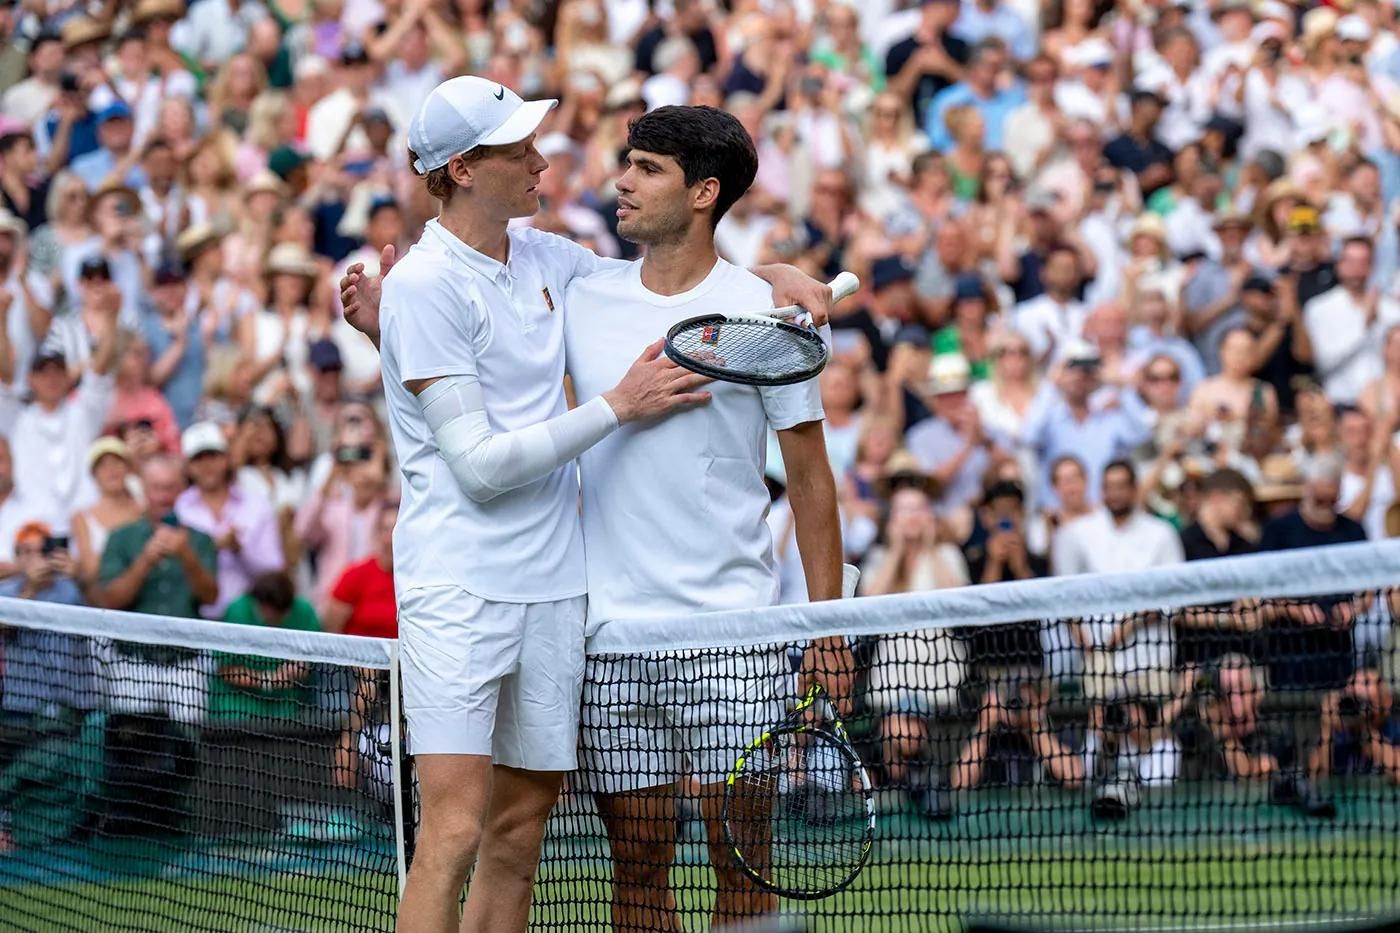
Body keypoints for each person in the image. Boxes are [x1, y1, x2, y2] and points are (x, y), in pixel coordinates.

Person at [345, 78, 834, 933]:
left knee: (592, 842)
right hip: (545, 613)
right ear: (462, 168)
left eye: (645, 167)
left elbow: (677, 281)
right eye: (518, 148)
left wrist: (780, 273)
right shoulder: (495, 283)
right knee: (544, 846)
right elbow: (472, 427)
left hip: (663, 617)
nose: (605, 176)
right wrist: (395, 330)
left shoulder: (576, 269)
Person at [561, 106, 847, 931]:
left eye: (647, 167)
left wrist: (829, 628)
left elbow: (811, 480)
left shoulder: (766, 311)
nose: (621, 179)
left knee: (744, 872)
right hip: (611, 634)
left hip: (734, 632)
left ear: (703, 191)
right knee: (638, 869)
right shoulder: (583, 292)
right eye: (627, 161)